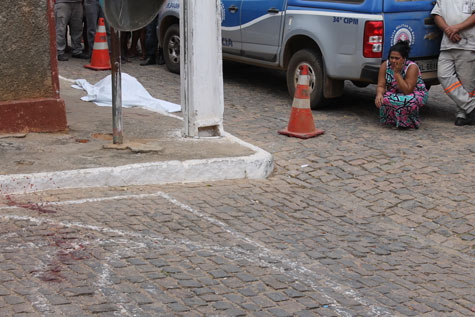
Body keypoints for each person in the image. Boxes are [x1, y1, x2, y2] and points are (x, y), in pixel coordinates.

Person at [431, 0, 475, 126]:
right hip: (448, 42)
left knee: (467, 84)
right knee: (443, 75)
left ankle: (462, 114)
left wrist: (457, 28)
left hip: (468, 43)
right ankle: (472, 106)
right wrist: (448, 30)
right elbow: (436, 14)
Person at [375, 40, 428, 129]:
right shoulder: (385, 65)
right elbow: (381, 85)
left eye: (397, 58)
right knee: (385, 99)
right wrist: (379, 94)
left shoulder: (412, 67)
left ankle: (407, 123)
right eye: (391, 58)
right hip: (395, 93)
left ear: (404, 58)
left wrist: (397, 74)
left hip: (414, 93)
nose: (393, 61)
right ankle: (392, 121)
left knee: (406, 100)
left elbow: (407, 90)